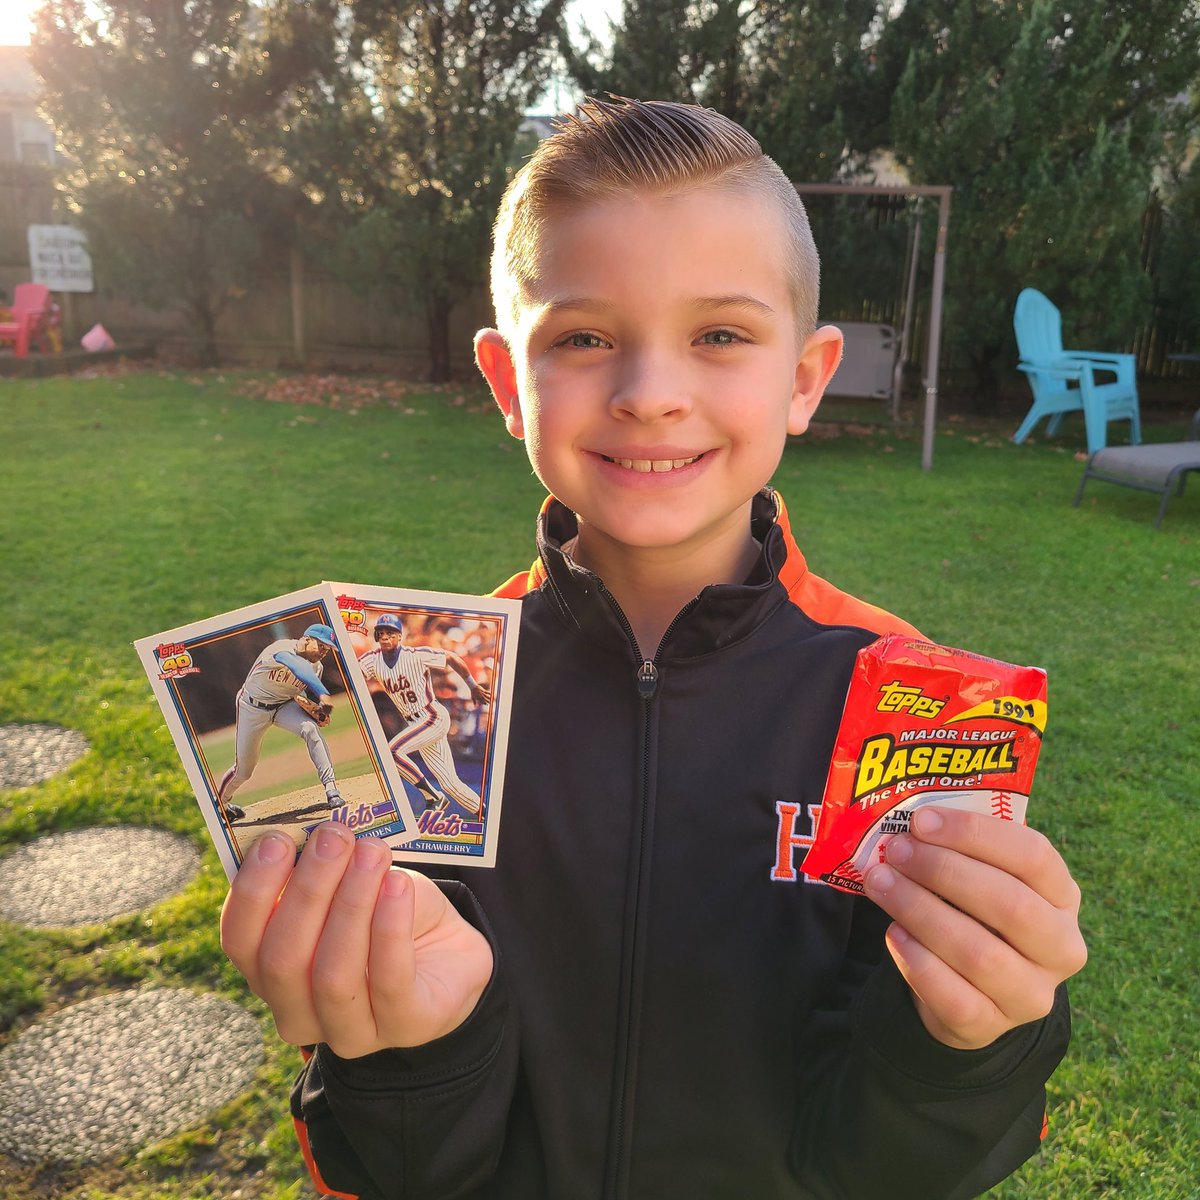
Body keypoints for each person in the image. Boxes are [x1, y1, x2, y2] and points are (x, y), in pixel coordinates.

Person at [221, 98, 1086, 1199]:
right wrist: (406, 1058)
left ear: (807, 378)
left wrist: (972, 1049)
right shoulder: (411, 708)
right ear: (505, 383)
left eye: (720, 335)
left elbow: (892, 1169)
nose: (650, 396)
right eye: (584, 339)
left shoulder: (905, 701)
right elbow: (393, 1164)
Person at [359, 612, 492, 815]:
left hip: (432, 717)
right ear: (376, 636)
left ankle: (433, 796)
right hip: (417, 724)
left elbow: (451, 657)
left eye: (391, 633)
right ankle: (485, 817)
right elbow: (352, 676)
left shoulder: (415, 655)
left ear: (399, 636)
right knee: (450, 783)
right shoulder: (371, 661)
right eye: (381, 633)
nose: (385, 637)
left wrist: (472, 685)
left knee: (392, 752)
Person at [216, 623, 346, 823]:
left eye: (327, 649)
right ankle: (221, 805)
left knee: (310, 729)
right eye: (321, 646)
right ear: (306, 639)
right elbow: (296, 666)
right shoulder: (281, 649)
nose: (323, 652)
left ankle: (331, 789)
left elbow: (297, 694)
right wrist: (322, 693)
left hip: (282, 707)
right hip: (252, 708)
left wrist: (315, 711)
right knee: (244, 770)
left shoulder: (317, 667)